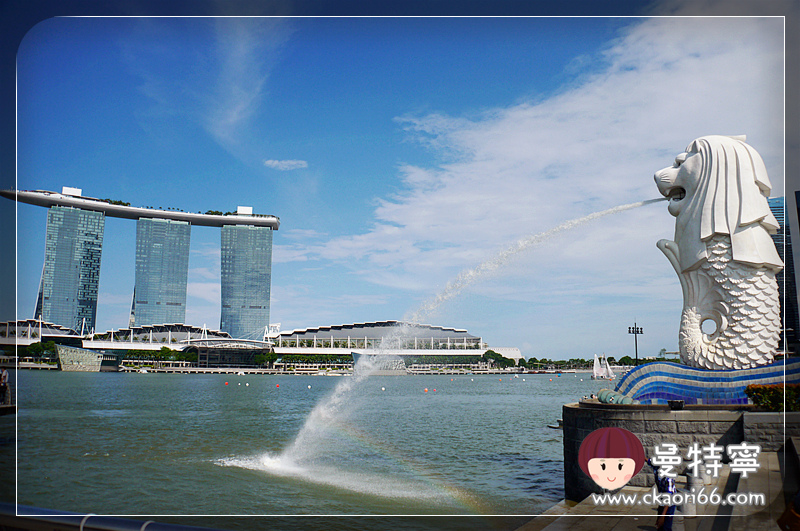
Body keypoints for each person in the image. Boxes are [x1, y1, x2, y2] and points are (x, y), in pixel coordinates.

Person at [648, 458, 676, 531]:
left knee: (666, 527)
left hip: (670, 504)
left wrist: (662, 516)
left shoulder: (669, 478)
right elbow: (649, 461)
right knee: (660, 526)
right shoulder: (657, 468)